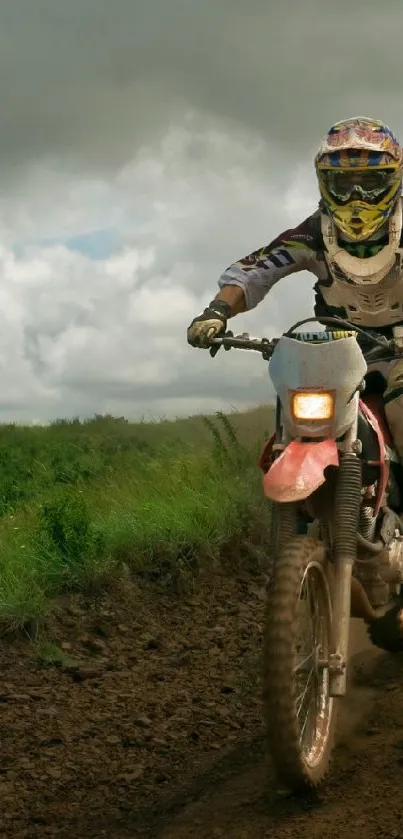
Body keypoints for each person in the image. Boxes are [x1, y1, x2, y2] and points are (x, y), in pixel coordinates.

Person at [186, 115, 403, 652]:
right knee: (293, 427)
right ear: (323, 183)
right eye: (342, 181)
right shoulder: (313, 232)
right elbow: (254, 269)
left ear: (393, 180)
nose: (355, 193)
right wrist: (216, 312)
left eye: (370, 181)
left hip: (401, 355)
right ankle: (308, 539)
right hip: (338, 352)